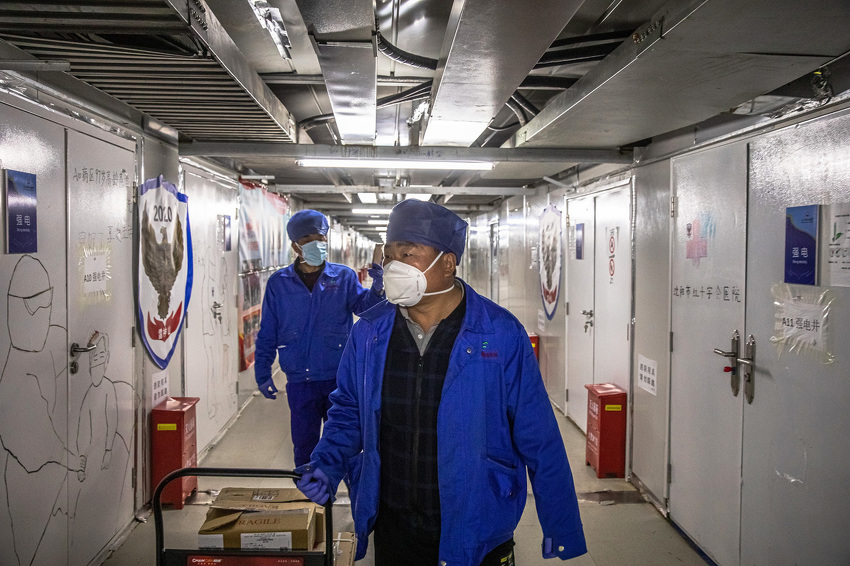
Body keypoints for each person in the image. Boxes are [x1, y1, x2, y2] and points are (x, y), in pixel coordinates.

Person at [296, 200, 587, 566]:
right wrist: (326, 462)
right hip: (394, 522)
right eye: (389, 256)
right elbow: (349, 413)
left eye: (407, 253)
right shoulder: (369, 332)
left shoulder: (498, 333)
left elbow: (538, 434)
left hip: (477, 524)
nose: (392, 266)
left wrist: (561, 521)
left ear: (447, 263)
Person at [254, 209, 384, 467]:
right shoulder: (279, 283)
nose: (318, 244)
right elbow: (268, 329)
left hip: (339, 378)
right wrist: (263, 371)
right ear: (295, 245)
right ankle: (308, 499)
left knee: (344, 443)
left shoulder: (343, 277)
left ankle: (345, 494)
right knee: (304, 446)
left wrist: (378, 287)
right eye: (309, 239)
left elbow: (365, 308)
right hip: (300, 381)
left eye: (322, 238)